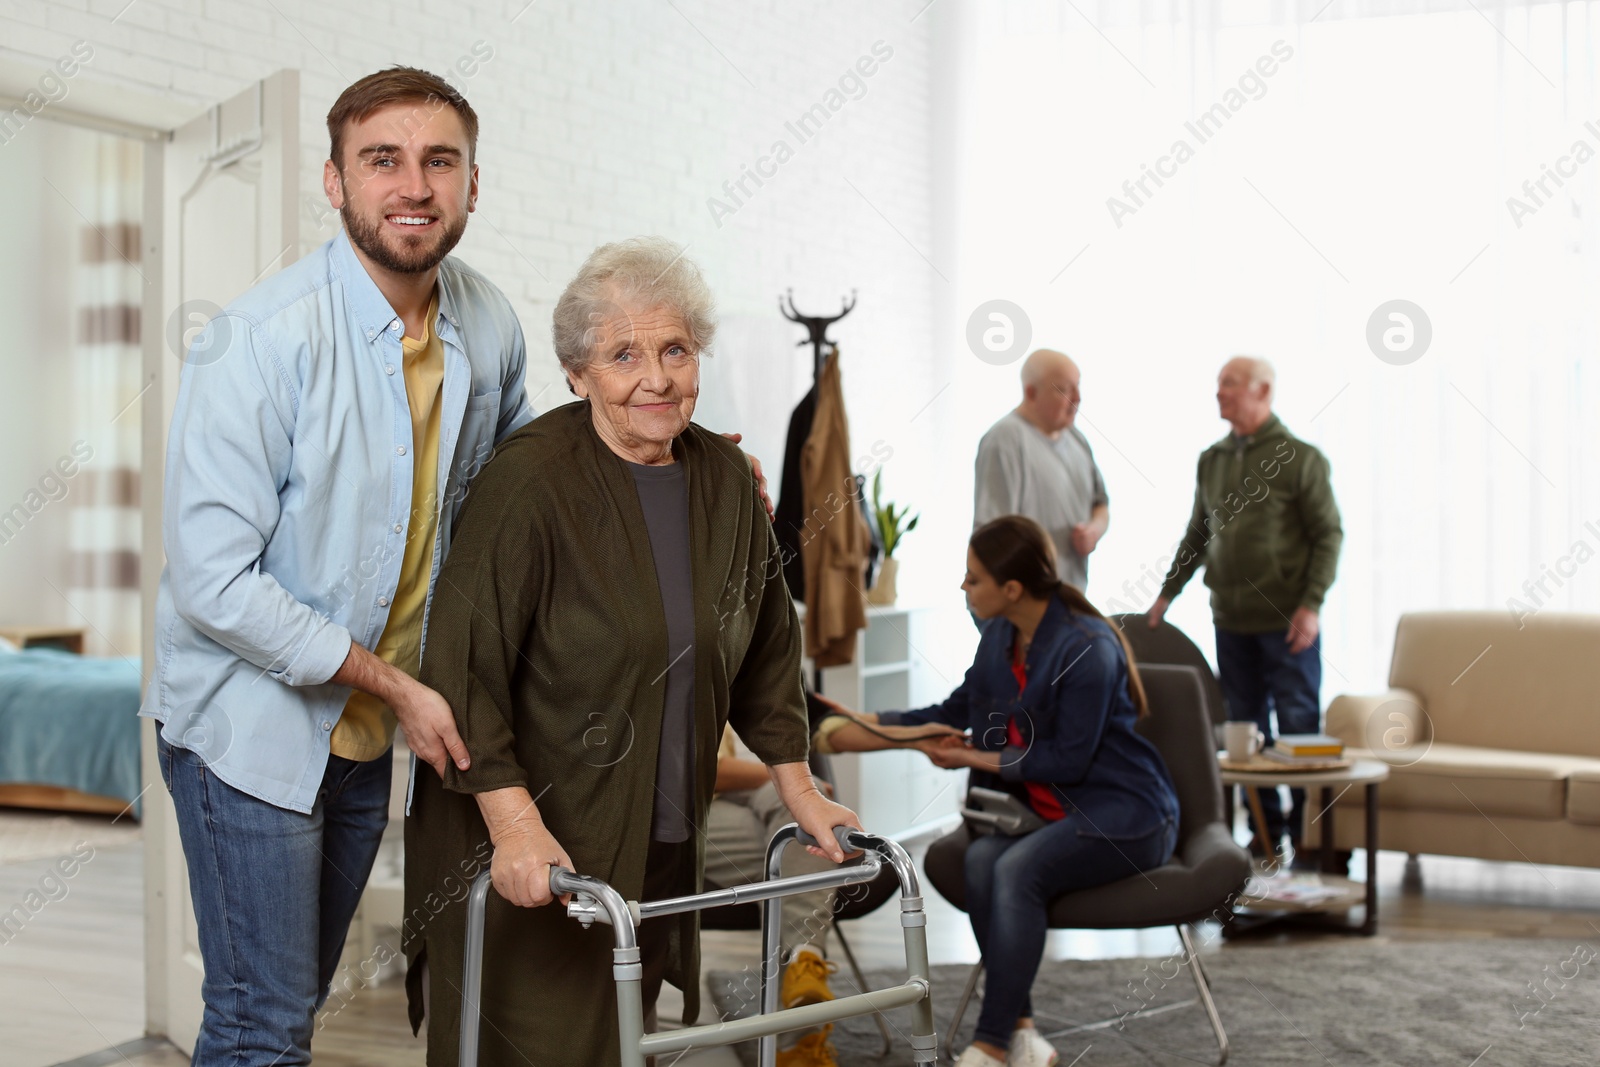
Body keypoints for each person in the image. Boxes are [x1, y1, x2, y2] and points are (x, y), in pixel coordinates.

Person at [139, 67, 531, 1065]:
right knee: (261, 1017)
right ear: (334, 180)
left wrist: (675, 456)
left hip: (362, 737)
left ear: (473, 184)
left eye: (439, 160)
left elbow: (527, 488)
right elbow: (213, 582)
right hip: (245, 723)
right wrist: (396, 683)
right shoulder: (258, 341)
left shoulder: (486, 326)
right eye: (382, 159)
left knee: (287, 1003)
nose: (413, 184)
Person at [404, 237, 859, 1065]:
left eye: (675, 349)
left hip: (653, 834)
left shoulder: (723, 476)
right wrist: (515, 827)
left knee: (620, 1042)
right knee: (539, 1044)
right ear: (578, 375)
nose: (656, 377)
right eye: (623, 354)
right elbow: (462, 670)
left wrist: (800, 788)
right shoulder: (530, 484)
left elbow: (763, 647)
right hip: (536, 838)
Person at [818, 515, 1179, 1067]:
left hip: (1125, 814)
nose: (964, 588)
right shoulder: (1000, 640)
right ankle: (1024, 1033)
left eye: (973, 578)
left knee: (1014, 869)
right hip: (1048, 817)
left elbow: (1069, 759)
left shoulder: (1087, 648)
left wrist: (968, 755)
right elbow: (950, 714)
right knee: (983, 861)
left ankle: (989, 1043)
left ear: (1011, 589)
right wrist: (869, 720)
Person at [1148, 356, 1343, 858]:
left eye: (1230, 386)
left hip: (1286, 622)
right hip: (1230, 622)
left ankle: (1311, 836)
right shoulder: (1211, 460)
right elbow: (1198, 532)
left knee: (1298, 728)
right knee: (1244, 731)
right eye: (1219, 385)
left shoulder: (1301, 458)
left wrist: (1311, 605)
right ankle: (1265, 830)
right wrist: (1168, 592)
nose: (1220, 394)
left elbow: (1328, 534)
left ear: (1263, 392)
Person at [973, 349, 1109, 594]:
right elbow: (994, 538)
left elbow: (1101, 505)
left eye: (1078, 387)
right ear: (1031, 393)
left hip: (1069, 597)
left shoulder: (1077, 439)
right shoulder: (1005, 440)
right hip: (1023, 605)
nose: (1077, 398)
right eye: (1065, 389)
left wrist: (1094, 530)